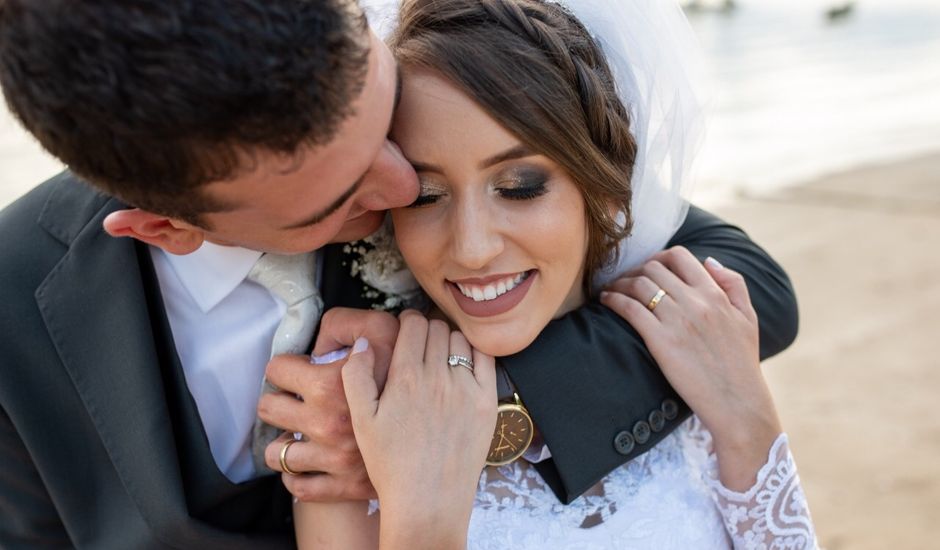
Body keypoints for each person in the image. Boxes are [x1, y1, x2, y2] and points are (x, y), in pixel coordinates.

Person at [0, 0, 797, 547]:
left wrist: (479, 418)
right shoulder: (15, 307)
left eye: (382, 115)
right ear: (164, 228)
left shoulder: (424, 92)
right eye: (340, 197)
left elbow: (750, 281)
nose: (401, 185)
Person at [293, 0, 816, 548]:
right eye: (426, 195)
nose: (472, 249)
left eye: (518, 186)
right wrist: (423, 521)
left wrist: (747, 417)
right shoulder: (350, 403)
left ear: (609, 187)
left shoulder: (696, 337)